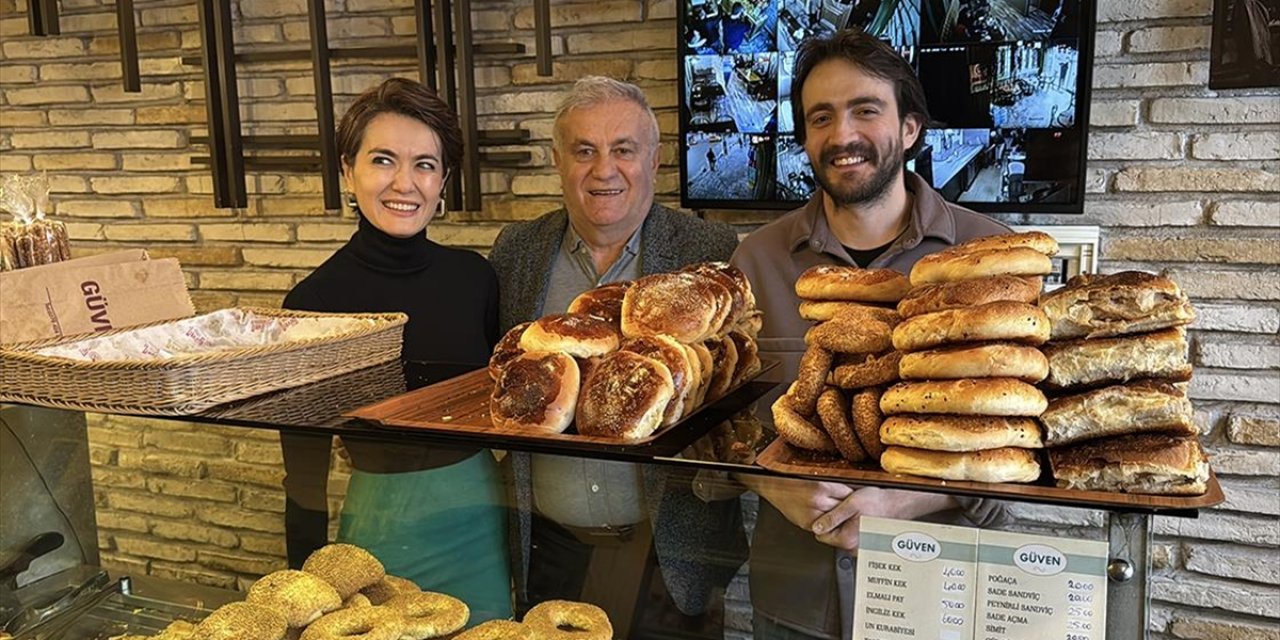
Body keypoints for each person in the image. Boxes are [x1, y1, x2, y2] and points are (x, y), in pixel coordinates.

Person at [728, 30, 1013, 640]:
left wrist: (908, 499)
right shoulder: (754, 263)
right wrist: (767, 479)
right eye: (820, 117)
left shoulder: (992, 261)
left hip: (939, 605)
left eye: (865, 110)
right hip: (792, 607)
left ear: (910, 128)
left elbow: (1026, 454)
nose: (842, 135)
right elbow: (715, 430)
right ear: (804, 138)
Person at [487, 76, 745, 638]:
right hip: (549, 550)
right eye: (584, 150)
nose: (604, 170)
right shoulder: (516, 252)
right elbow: (501, 381)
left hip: (671, 552)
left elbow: (737, 391)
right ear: (558, 161)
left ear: (654, 160)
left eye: (623, 150)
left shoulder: (710, 254)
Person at [280, 78, 511, 623]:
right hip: (381, 531)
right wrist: (302, 596)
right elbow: (305, 474)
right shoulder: (312, 301)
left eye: (425, 164)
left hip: (482, 523)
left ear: (444, 181)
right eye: (383, 159)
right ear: (347, 170)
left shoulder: (476, 278)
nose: (404, 183)